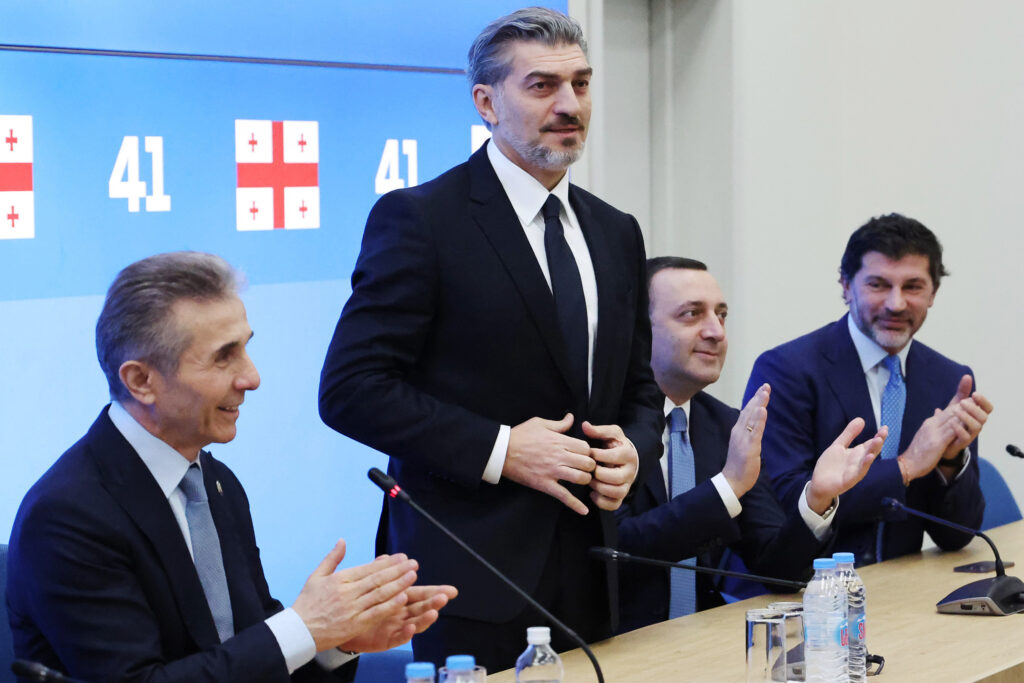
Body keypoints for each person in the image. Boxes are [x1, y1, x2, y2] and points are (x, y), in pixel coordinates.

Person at [318, 7, 663, 671]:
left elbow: (638, 387)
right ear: (486, 103)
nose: (570, 105)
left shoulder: (615, 230)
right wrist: (502, 449)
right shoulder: (421, 220)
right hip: (471, 575)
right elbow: (351, 390)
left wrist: (636, 450)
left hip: (596, 569)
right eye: (542, 86)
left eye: (581, 83)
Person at [6, 252, 457, 682]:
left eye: (245, 348)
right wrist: (304, 628)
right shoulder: (68, 516)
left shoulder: (216, 484)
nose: (251, 377)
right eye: (223, 356)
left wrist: (334, 642)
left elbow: (249, 657)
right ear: (141, 381)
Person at [615, 257, 885, 632]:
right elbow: (618, 550)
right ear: (638, 330)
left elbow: (778, 569)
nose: (716, 332)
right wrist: (727, 487)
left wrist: (816, 499)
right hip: (612, 646)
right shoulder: (604, 423)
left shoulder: (726, 424)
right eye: (692, 314)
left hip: (699, 644)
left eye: (721, 315)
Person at [745, 214, 992, 564]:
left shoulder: (950, 379)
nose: (896, 304)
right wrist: (906, 466)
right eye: (878, 285)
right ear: (846, 286)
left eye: (913, 287)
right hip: (804, 582)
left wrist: (950, 461)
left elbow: (957, 536)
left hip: (899, 585)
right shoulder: (786, 370)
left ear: (933, 293)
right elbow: (783, 504)